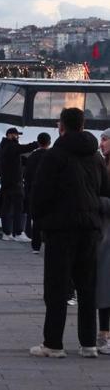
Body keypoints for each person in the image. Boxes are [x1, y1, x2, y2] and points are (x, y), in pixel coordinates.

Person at [29, 108, 109, 358]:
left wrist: (40, 223)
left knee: (57, 288)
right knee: (87, 288)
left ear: (61, 126)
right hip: (90, 229)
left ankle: (53, 344)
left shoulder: (54, 155)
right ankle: (88, 344)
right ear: (83, 125)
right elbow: (104, 190)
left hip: (60, 229)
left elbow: (39, 193)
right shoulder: (95, 156)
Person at [0, 128, 38, 242]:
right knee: (19, 209)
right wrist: (37, 144)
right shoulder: (12, 146)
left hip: (5, 184)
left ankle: (7, 233)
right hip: (15, 184)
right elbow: (25, 148)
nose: (17, 137)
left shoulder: (1, 150)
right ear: (10, 135)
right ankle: (19, 232)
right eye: (16, 135)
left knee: (6, 209)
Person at [24, 133, 51, 254]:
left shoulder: (32, 157)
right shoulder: (52, 156)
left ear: (38, 142)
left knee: (36, 220)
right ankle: (50, 243)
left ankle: (36, 246)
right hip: (49, 191)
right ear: (49, 142)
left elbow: (27, 175)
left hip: (35, 192)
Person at [97, 128, 110, 355]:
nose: (102, 144)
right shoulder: (102, 164)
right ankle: (103, 333)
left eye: (106, 139)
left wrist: (98, 202)